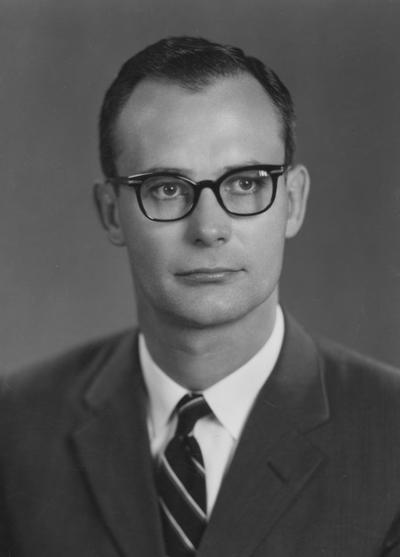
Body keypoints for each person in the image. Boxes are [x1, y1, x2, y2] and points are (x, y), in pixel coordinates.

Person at [1, 36, 400, 557]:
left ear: (294, 203)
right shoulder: (15, 428)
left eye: (245, 183)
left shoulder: (390, 436)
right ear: (110, 212)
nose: (209, 228)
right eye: (167, 188)